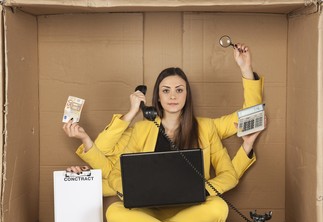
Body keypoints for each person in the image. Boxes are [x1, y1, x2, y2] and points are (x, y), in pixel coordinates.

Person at [64, 43, 263, 197]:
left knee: (217, 210)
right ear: (158, 96)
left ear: (187, 95)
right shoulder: (142, 129)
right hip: (150, 201)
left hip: (192, 203)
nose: (173, 97)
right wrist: (132, 113)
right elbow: (107, 158)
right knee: (116, 213)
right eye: (166, 91)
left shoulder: (206, 127)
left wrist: (246, 69)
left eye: (179, 90)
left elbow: (252, 115)